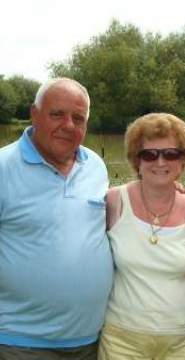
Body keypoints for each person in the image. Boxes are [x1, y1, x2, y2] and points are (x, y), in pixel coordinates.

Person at [0, 78, 114, 360]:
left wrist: (168, 189)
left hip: (90, 341)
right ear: (34, 114)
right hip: (20, 341)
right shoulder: (3, 167)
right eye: (57, 114)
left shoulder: (95, 166)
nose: (69, 125)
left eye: (79, 117)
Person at [98, 113, 185, 360]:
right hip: (121, 338)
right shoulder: (113, 201)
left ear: (183, 159)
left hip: (181, 339)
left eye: (170, 153)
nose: (160, 162)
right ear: (137, 160)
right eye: (149, 154)